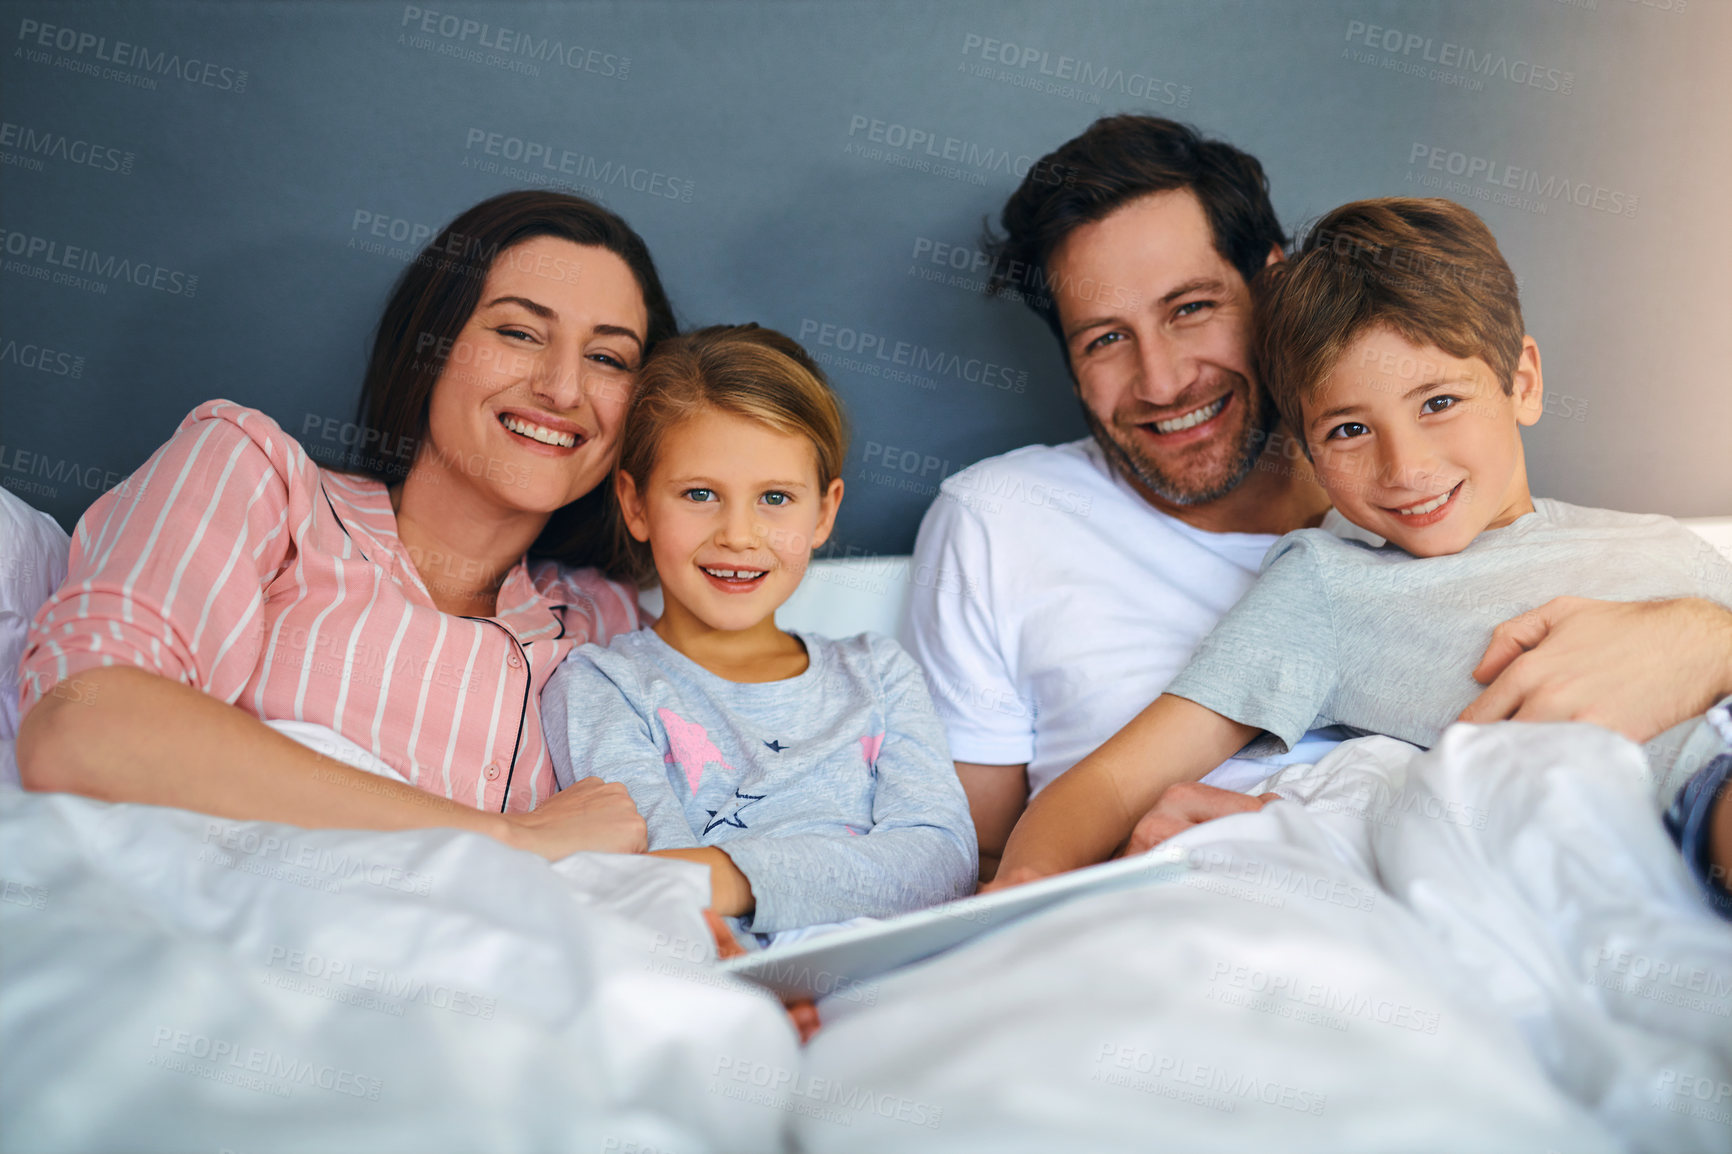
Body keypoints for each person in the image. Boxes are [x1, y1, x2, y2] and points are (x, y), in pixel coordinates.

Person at [902, 114, 1732, 883]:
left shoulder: (1613, 540)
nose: (1161, 380)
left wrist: (1705, 639)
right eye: (1107, 338)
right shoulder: (1311, 583)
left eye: (1191, 308)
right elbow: (1025, 832)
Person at [15, 190, 669, 861]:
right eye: (518, 333)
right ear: (430, 348)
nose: (563, 389)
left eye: (609, 359)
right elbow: (81, 727)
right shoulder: (257, 476)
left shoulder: (607, 622)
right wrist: (502, 837)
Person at [542, 324, 975, 938]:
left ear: (824, 512)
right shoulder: (603, 688)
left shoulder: (879, 673)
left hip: (903, 969)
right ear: (636, 505)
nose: (739, 535)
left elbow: (941, 863)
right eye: (699, 494)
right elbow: (657, 887)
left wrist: (732, 876)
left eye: (775, 497)